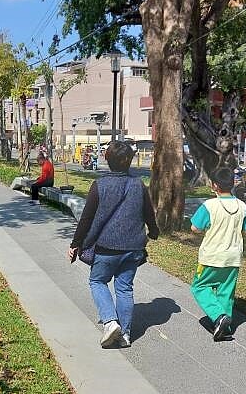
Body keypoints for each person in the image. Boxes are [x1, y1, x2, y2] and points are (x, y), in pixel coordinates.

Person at [68, 141, 159, 348]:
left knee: (97, 281)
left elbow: (86, 218)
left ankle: (110, 322)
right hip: (134, 248)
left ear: (107, 160)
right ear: (130, 161)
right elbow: (148, 213)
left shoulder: (99, 185)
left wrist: (76, 243)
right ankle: (125, 335)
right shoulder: (138, 185)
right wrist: (153, 232)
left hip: (106, 247)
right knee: (125, 288)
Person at [189, 167, 246, 341]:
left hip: (211, 257)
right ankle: (225, 327)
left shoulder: (209, 206)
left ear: (214, 185)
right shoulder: (242, 206)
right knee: (226, 291)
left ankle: (218, 316)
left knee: (199, 286)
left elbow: (195, 228)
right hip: (233, 258)